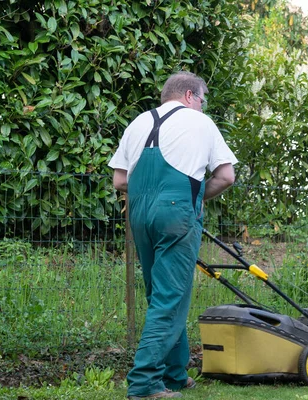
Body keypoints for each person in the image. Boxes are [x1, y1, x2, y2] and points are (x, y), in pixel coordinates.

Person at [109, 71, 238, 399]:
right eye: (203, 102)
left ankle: (175, 374)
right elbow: (226, 176)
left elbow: (120, 182)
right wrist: (193, 198)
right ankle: (144, 383)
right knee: (170, 297)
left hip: (139, 213)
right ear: (190, 96)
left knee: (162, 296)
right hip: (176, 211)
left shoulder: (138, 122)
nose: (203, 108)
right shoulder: (201, 124)